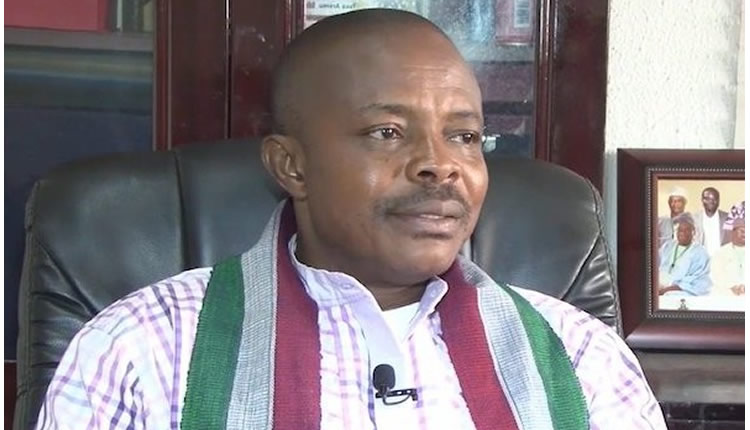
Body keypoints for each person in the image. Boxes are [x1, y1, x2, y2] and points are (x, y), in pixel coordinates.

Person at [35, 9, 666, 430]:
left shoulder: (579, 356)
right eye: (387, 132)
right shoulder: (144, 347)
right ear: (292, 166)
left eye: (465, 136)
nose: (440, 165)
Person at [658, 214, 712, 296]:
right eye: (680, 230)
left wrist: (667, 289)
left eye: (687, 230)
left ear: (693, 232)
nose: (682, 233)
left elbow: (696, 280)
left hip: (685, 290)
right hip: (661, 287)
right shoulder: (668, 246)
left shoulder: (700, 252)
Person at [710, 201, 745, 296]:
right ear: (732, 232)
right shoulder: (720, 253)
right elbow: (716, 275)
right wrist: (733, 286)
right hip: (726, 296)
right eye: (742, 231)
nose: (745, 234)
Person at [692, 187, 730, 256]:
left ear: (718, 201)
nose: (711, 202)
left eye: (714, 199)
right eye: (708, 199)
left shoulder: (728, 218)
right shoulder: (693, 219)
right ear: (702, 200)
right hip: (700, 260)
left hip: (723, 259)